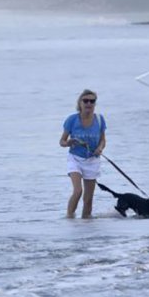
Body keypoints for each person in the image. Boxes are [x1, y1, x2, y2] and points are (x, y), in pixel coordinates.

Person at [60, 89, 107, 218]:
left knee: (88, 198)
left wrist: (100, 148)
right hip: (75, 158)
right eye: (85, 101)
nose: (89, 104)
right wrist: (69, 142)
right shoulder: (72, 119)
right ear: (80, 103)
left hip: (92, 160)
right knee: (78, 191)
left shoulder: (99, 119)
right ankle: (69, 219)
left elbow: (103, 140)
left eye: (92, 101)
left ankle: (86, 228)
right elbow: (62, 142)